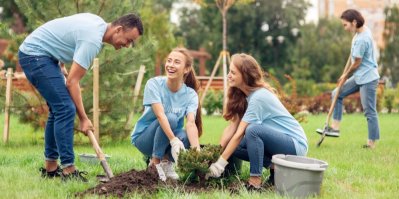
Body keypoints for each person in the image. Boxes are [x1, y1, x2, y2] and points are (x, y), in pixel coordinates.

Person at [18, 13, 143, 181]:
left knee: (58, 110)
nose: (128, 45)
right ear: (119, 29)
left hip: (44, 55)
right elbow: (72, 83)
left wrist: (61, 63)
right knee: (65, 108)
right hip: (36, 55)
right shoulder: (92, 40)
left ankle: (51, 169)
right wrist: (84, 119)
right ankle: (68, 170)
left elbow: (66, 33)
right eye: (128, 40)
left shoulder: (97, 23)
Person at [206, 53, 308, 189]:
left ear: (245, 75)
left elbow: (239, 133)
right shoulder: (244, 96)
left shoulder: (259, 97)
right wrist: (214, 155)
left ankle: (255, 182)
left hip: (295, 145)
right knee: (236, 146)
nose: (228, 75)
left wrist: (220, 165)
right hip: (279, 144)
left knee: (253, 130)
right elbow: (232, 128)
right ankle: (277, 169)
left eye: (233, 72)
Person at [131, 47, 202, 181]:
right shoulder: (154, 84)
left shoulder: (190, 94)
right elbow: (160, 115)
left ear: (186, 69)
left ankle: (166, 163)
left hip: (167, 138)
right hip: (145, 139)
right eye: (169, 61)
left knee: (186, 137)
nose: (170, 65)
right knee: (171, 118)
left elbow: (191, 123)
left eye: (176, 62)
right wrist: (173, 140)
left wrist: (197, 152)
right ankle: (155, 163)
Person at [316, 9, 380, 149]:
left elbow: (357, 62)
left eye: (345, 25)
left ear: (354, 22)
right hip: (359, 77)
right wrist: (345, 73)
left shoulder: (362, 39)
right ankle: (335, 127)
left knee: (369, 111)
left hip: (368, 78)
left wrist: (345, 75)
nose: (344, 28)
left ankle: (371, 144)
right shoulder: (360, 32)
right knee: (336, 93)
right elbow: (353, 58)